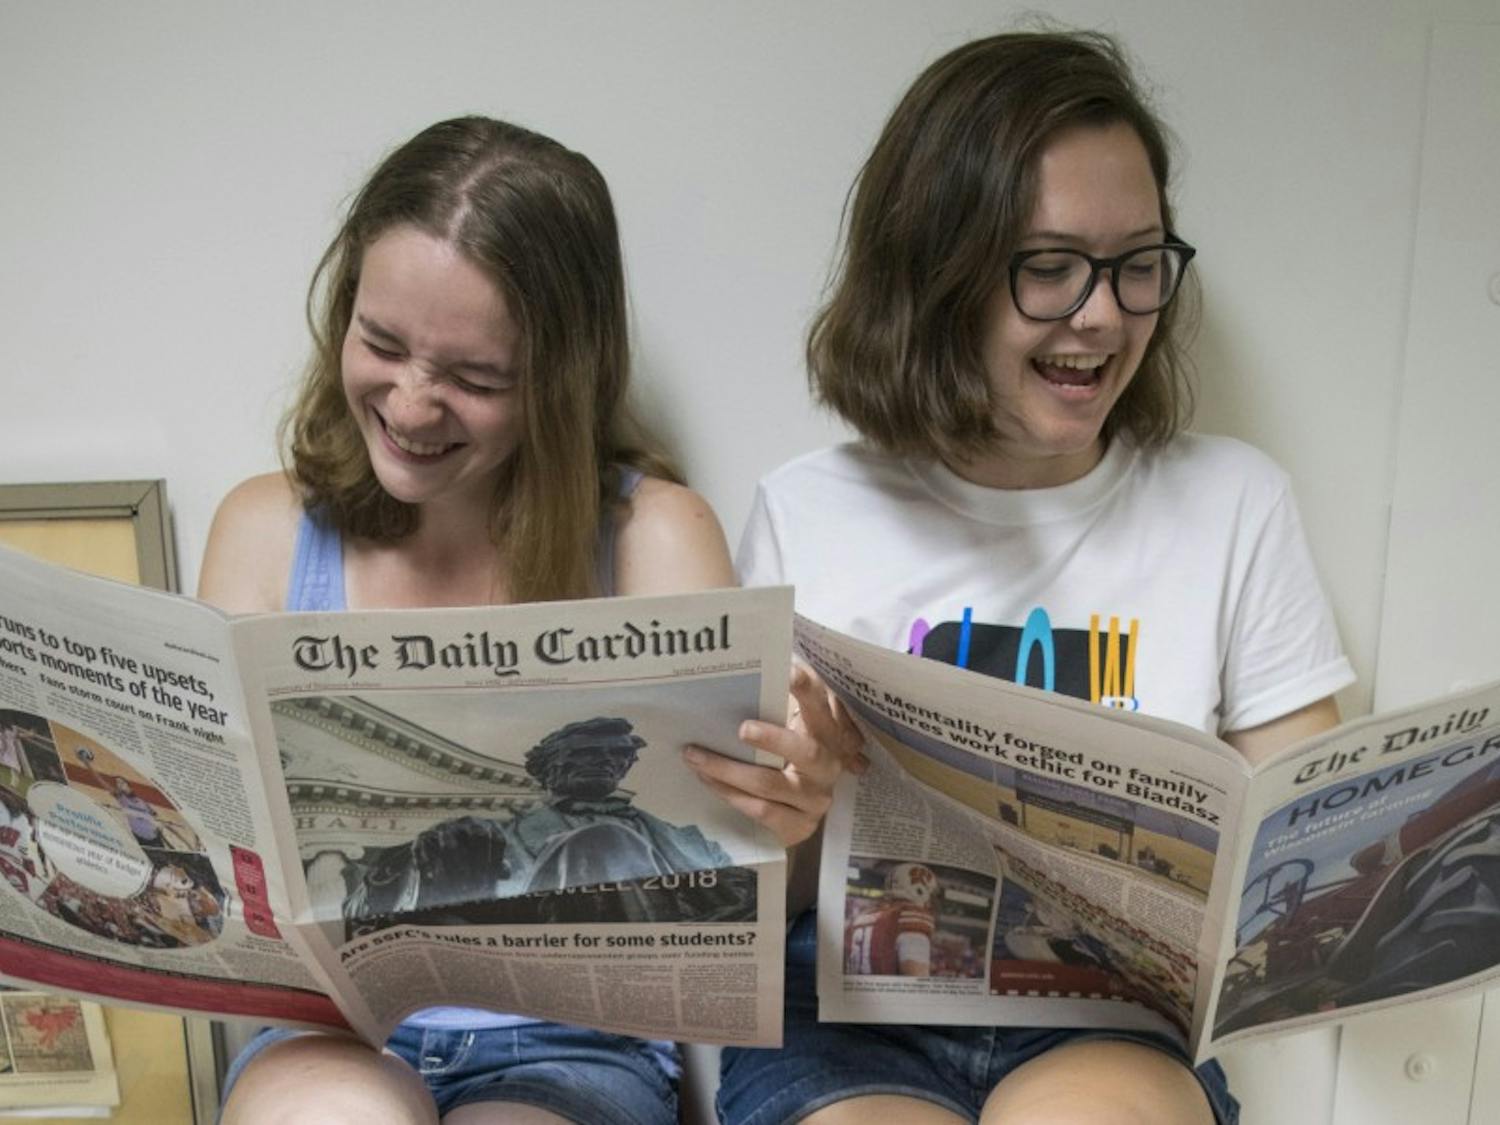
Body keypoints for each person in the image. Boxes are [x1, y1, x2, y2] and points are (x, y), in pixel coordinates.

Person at [717, 30, 1354, 1125]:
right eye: (1049, 266)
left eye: (1137, 262)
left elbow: (1315, 831)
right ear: (938, 272)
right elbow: (749, 890)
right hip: (850, 1020)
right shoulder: (806, 508)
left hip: (1109, 1021)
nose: (1102, 313)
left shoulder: (1234, 503)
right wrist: (794, 803)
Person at [201, 116, 841, 1125]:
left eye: (475, 378)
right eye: (382, 344)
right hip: (332, 1031)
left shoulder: (654, 536)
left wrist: (794, 825)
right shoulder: (266, 526)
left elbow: (748, 897)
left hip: (575, 1046)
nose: (411, 406)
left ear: (558, 379)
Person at [845, 862, 938, 977]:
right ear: (919, 891)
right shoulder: (909, 916)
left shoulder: (859, 919)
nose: (930, 902)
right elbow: (917, 980)